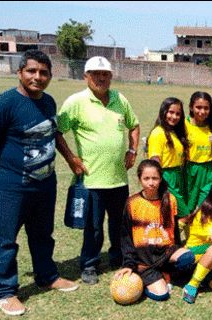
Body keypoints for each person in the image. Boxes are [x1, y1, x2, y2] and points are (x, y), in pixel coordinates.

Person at [0, 50, 78, 316]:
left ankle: (47, 276)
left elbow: (53, 133)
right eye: (31, 71)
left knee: (42, 234)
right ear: (19, 72)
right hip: (12, 185)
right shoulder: (5, 103)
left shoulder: (49, 102)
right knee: (5, 238)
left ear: (50, 76)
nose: (37, 77)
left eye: (43, 73)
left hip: (45, 183)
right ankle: (5, 292)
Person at [56, 56, 140, 285]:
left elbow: (134, 124)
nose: (101, 78)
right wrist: (71, 158)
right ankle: (90, 264)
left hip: (118, 178)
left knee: (118, 225)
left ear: (111, 77)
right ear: (86, 77)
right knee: (93, 227)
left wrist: (132, 151)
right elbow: (57, 131)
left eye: (105, 74)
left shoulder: (119, 99)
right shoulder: (76, 102)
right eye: (96, 74)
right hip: (91, 179)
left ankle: (117, 257)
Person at [114, 160, 195, 302]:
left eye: (155, 178)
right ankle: (144, 278)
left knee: (188, 258)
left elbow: (174, 232)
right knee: (162, 295)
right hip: (144, 258)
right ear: (139, 180)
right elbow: (126, 237)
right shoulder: (132, 202)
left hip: (165, 253)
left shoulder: (170, 200)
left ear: (160, 179)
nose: (151, 182)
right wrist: (129, 263)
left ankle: (165, 271)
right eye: (146, 178)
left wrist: (176, 251)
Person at [146, 97, 190, 218]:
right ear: (163, 112)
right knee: (185, 215)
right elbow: (154, 161)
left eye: (178, 114)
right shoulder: (158, 133)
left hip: (178, 177)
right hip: (166, 178)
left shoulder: (175, 132)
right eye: (171, 112)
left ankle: (174, 236)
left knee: (174, 216)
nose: (174, 117)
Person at [184, 92, 212, 213]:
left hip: (208, 170)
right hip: (190, 170)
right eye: (198, 107)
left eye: (206, 108)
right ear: (191, 107)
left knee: (205, 208)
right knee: (189, 209)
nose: (202, 111)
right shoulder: (184, 124)